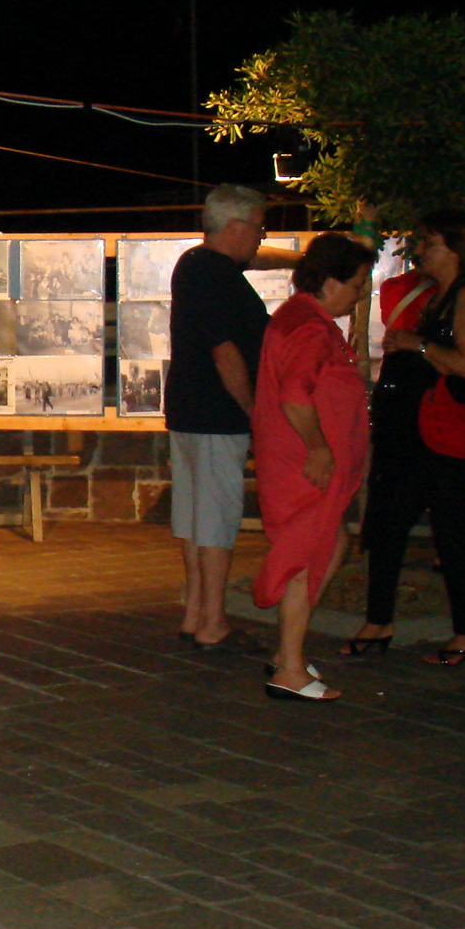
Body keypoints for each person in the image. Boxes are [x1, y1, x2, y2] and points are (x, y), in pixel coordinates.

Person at [344, 210, 465, 666]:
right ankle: (380, 621)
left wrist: (417, 344)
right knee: (390, 524)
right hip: (422, 435)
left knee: (451, 531)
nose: (421, 251)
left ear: (456, 249)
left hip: (447, 435)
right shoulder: (441, 296)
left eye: (430, 243)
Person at [164, 184, 298, 653]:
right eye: (259, 228)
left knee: (193, 516)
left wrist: (301, 261)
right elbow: (226, 352)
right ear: (237, 226)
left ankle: (195, 613)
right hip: (218, 412)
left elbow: (258, 259)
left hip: (188, 408)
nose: (262, 237)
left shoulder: (195, 264)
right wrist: (252, 409)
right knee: (217, 518)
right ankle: (213, 622)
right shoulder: (218, 275)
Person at [250, 234, 377, 701]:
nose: (360, 294)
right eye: (357, 283)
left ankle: (289, 652)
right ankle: (288, 668)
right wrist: (320, 448)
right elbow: (295, 396)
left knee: (327, 543)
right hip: (303, 467)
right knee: (310, 555)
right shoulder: (308, 327)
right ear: (330, 281)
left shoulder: (304, 319)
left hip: (299, 463)